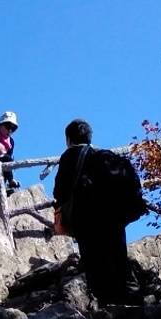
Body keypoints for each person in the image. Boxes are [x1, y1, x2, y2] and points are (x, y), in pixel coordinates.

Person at [53, 118, 137, 307]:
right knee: (118, 259)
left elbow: (59, 191)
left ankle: (108, 308)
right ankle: (131, 303)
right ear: (90, 137)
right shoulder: (105, 156)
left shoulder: (69, 157)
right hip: (113, 219)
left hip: (85, 222)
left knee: (96, 265)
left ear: (68, 139)